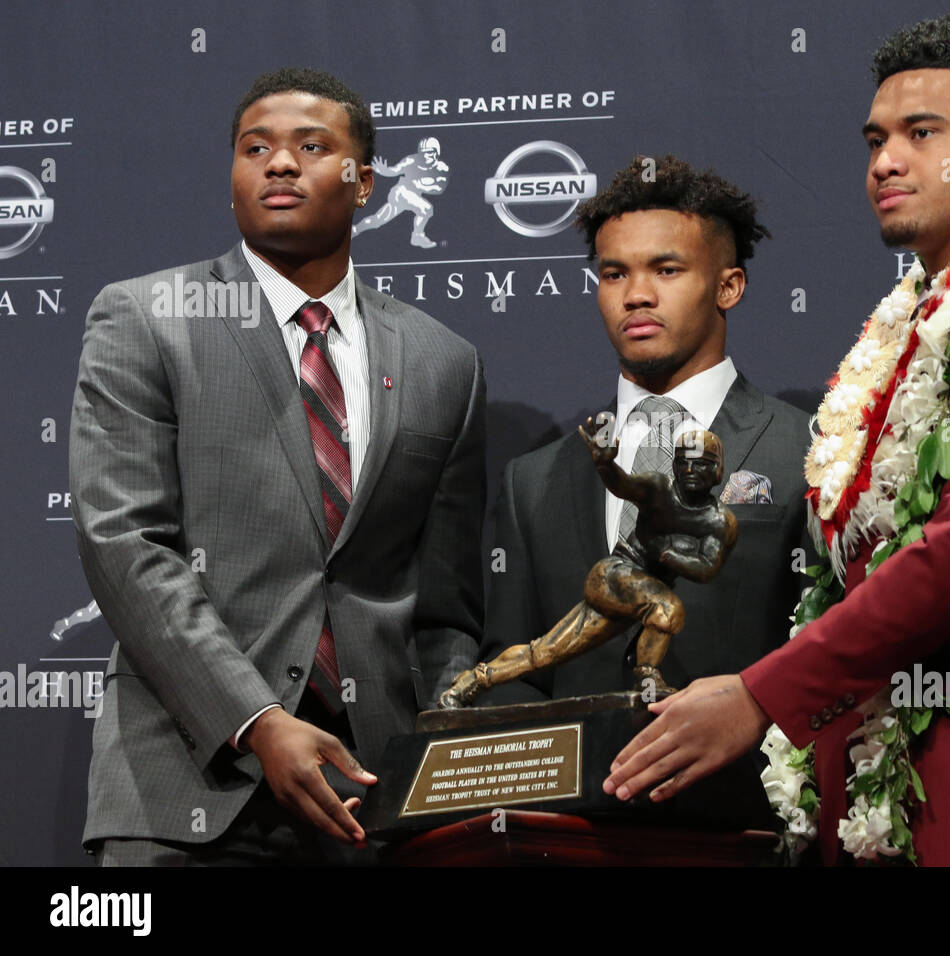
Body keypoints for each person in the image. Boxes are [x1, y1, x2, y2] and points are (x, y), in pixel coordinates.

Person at [602, 17, 950, 867]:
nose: (885, 161)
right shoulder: (909, 326)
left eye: (921, 134)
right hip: (888, 787)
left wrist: (763, 695)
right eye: (875, 139)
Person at [70, 67, 485, 865]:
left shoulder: (445, 362)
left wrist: (429, 766)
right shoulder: (149, 319)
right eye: (255, 147)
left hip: (372, 803)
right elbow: (125, 543)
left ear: (365, 183)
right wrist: (258, 720)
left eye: (312, 146)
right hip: (185, 792)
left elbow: (447, 607)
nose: (281, 164)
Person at [475, 155, 810, 706]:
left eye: (667, 270)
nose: (637, 295)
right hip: (570, 791)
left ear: (729, 287)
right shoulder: (531, 482)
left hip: (746, 788)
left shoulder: (808, 449)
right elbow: (517, 677)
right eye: (614, 273)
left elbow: (834, 650)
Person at [441, 426, 737, 707]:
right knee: (668, 609)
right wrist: (605, 464)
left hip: (635, 598)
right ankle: (646, 675)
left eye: (701, 464)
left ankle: (471, 681)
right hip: (614, 575)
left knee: (546, 652)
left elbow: (707, 568)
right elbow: (624, 485)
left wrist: (669, 554)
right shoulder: (659, 489)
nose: (690, 471)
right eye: (684, 462)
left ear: (717, 471)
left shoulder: (719, 521)